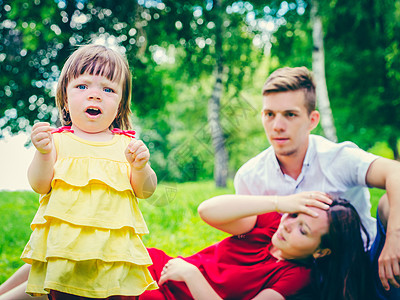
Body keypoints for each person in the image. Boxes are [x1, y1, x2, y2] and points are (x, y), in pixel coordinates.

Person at [1, 194, 374, 300]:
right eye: (293, 217)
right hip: (159, 269)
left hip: (169, 293)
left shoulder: (296, 276)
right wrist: (282, 204)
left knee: (69, 278)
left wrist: (192, 275)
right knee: (65, 250)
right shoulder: (270, 225)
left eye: (303, 230)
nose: (288, 227)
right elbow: (207, 210)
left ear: (321, 251)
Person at [234, 66, 400, 299]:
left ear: (312, 120)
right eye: (269, 114)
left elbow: (396, 172)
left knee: (389, 205)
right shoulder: (250, 177)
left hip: (367, 264)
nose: (277, 126)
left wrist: (395, 238)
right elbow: (246, 242)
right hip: (299, 277)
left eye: (290, 115)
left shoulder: (338, 158)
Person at [19, 44, 158, 298]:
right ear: (65, 97)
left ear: (119, 103)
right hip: (66, 257)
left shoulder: (127, 145)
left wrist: (141, 167)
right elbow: (39, 184)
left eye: (108, 89)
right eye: (83, 86)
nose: (95, 95)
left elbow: (146, 191)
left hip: (116, 258)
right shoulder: (57, 142)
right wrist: (43, 153)